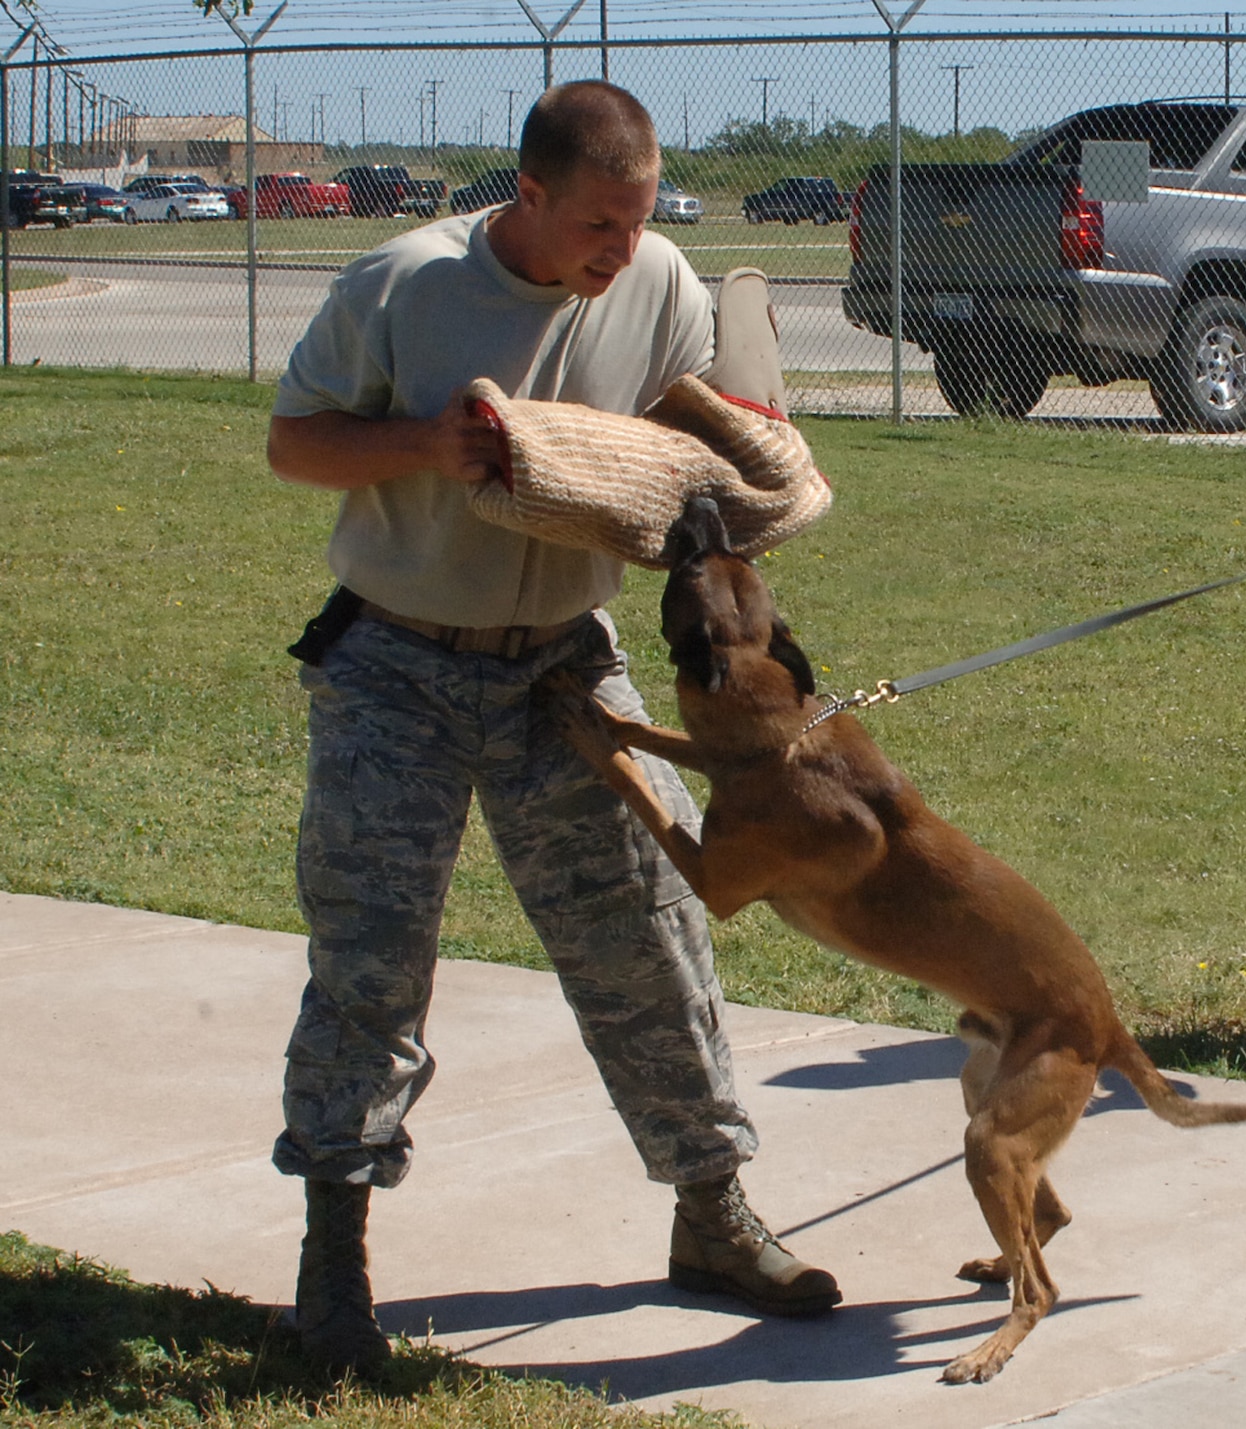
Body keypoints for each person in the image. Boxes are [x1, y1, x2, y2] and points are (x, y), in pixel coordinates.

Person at [266, 80, 838, 1377]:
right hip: (397, 664)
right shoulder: (406, 284)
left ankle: (713, 1214)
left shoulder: (663, 282)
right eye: (599, 226)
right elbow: (294, 444)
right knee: (371, 958)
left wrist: (755, 465)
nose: (623, 254)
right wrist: (424, 441)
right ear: (527, 193)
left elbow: (693, 418)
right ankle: (333, 1263)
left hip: (564, 673)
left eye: (639, 223)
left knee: (655, 929)